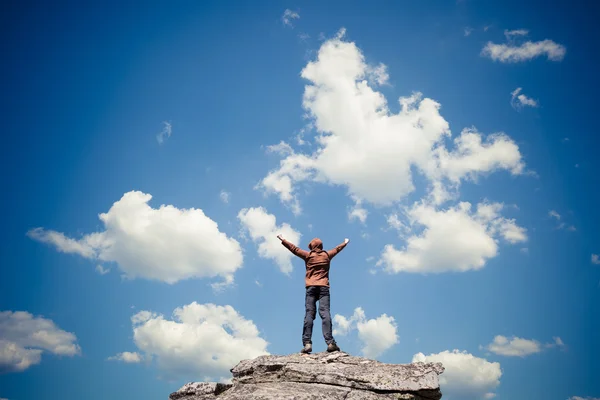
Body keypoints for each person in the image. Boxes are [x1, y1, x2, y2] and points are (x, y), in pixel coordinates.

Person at [277, 234, 349, 354]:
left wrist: (283, 240)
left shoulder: (308, 256)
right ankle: (330, 343)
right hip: (324, 287)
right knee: (325, 313)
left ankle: (307, 344)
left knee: (309, 315)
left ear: (312, 247)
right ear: (321, 246)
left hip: (311, 287)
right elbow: (337, 249)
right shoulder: (327, 255)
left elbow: (294, 249)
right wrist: (345, 242)